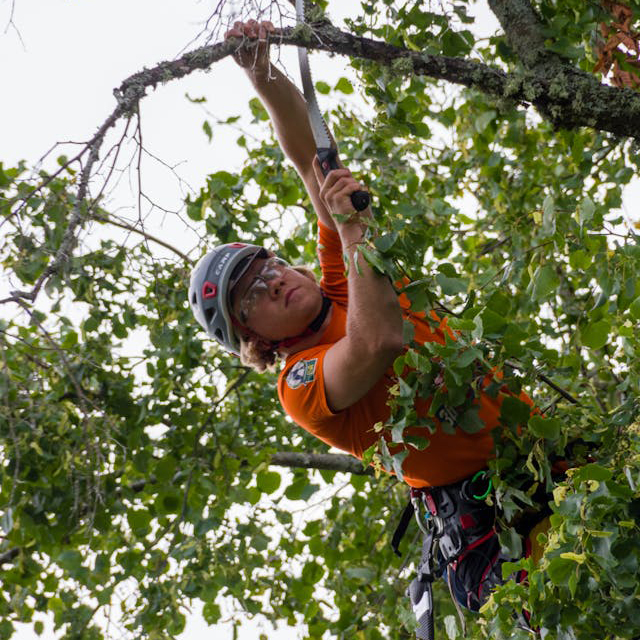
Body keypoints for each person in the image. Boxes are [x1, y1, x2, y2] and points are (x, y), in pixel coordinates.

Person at [189, 19, 546, 624]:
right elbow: (378, 340)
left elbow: (309, 164)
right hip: (497, 527)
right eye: (251, 297)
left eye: (267, 266)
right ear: (252, 338)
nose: (273, 280)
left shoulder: (338, 283)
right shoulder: (300, 383)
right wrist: (352, 226)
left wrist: (262, 74)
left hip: (549, 459)